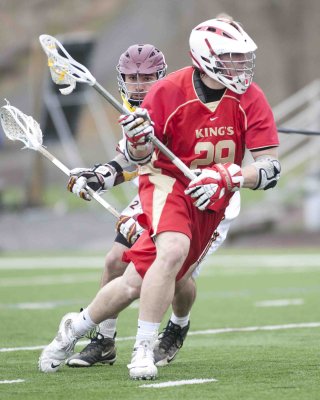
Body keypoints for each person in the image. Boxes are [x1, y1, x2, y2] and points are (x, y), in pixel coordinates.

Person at [39, 17, 280, 380]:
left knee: (138, 281)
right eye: (231, 57)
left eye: (241, 58)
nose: (240, 66)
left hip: (216, 198)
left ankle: (74, 327)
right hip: (167, 184)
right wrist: (135, 142)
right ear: (206, 57)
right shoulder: (168, 92)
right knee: (169, 253)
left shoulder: (250, 97)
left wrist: (230, 175)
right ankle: (142, 348)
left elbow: (270, 169)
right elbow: (135, 159)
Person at [64, 42, 240, 368]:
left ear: (161, 75)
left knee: (173, 272)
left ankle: (177, 326)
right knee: (115, 260)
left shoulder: (175, 99)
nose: (139, 84)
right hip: (158, 192)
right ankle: (104, 340)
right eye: (131, 77)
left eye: (146, 77)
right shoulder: (133, 111)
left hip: (208, 201)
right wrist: (97, 176)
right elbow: (130, 161)